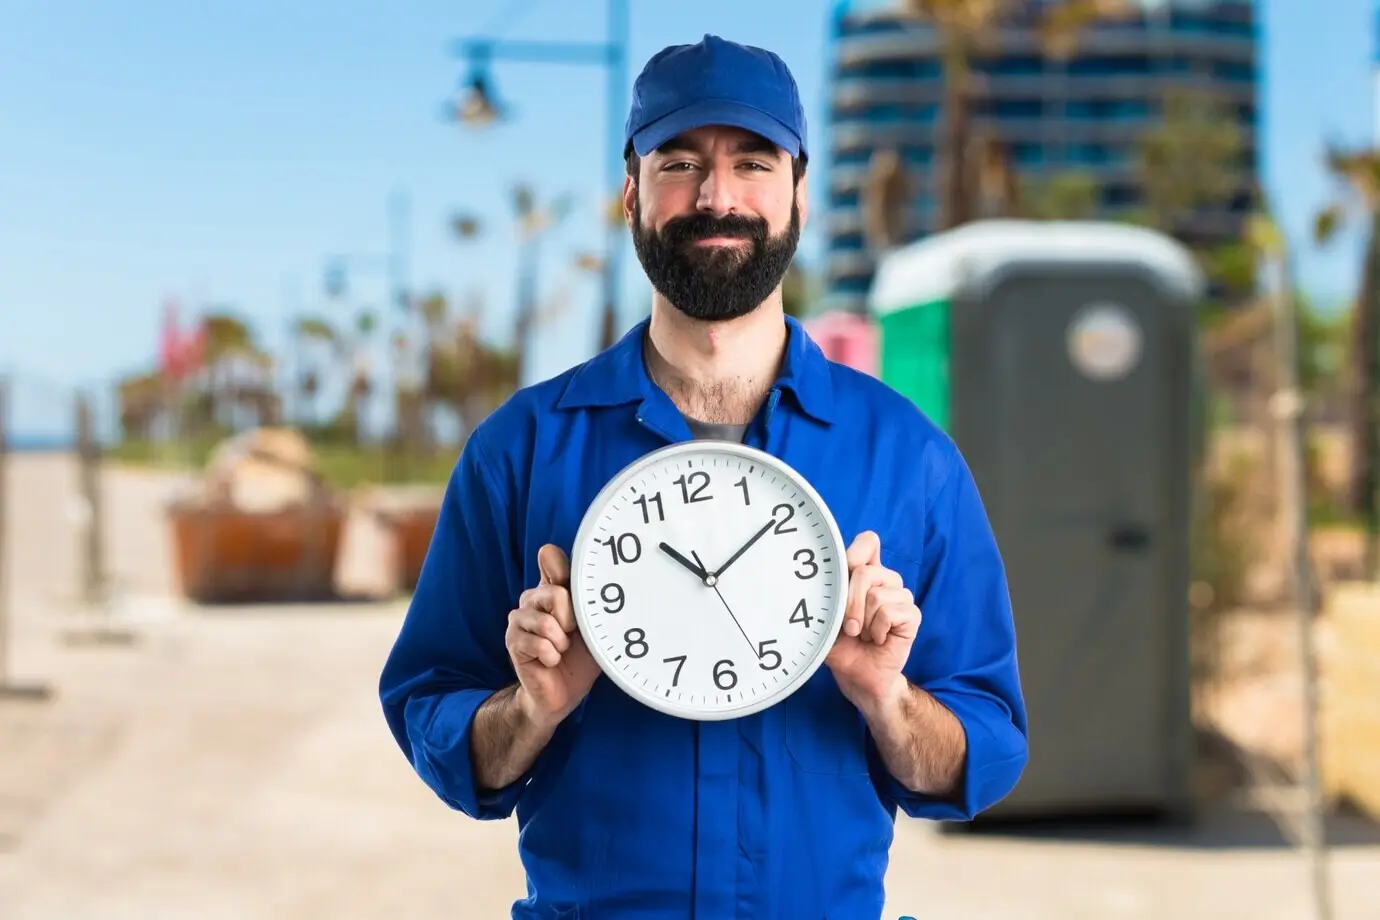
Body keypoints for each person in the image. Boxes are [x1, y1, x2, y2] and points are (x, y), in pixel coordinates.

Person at [379, 33, 1028, 920]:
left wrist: (888, 697)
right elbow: (436, 720)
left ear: (799, 193)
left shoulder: (909, 459)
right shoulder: (519, 451)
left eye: (752, 163)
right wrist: (531, 709)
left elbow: (980, 756)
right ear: (632, 195)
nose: (717, 196)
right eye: (680, 163)